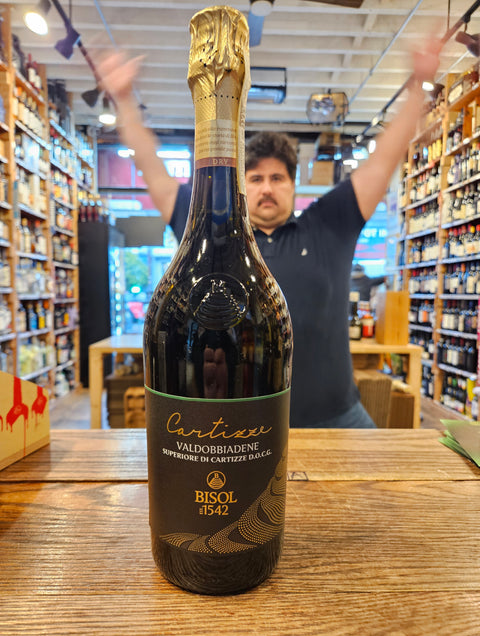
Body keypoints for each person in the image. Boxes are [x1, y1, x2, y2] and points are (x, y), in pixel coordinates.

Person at [97, 38, 440, 429]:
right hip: (245, 427)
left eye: (277, 178)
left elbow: (381, 163)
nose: (266, 188)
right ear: (239, 184)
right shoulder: (211, 237)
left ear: (293, 186)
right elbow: (153, 171)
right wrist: (123, 99)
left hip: (337, 419)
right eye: (255, 178)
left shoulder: (328, 224)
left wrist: (418, 85)